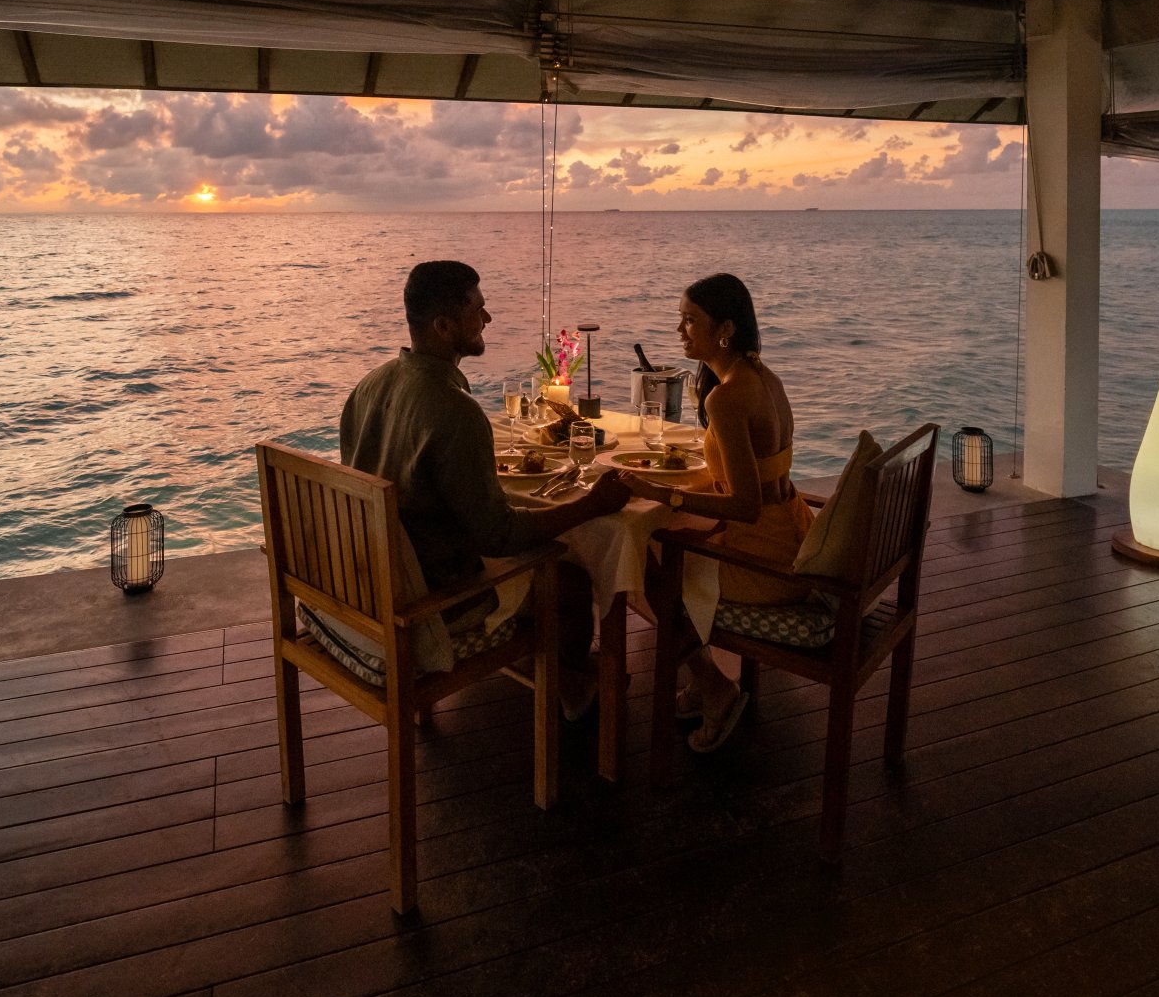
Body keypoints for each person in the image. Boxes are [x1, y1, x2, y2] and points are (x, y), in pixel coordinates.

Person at [330, 260, 630, 714]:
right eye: (478, 309)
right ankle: (571, 690)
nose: (487, 318)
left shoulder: (369, 386)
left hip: (368, 582)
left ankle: (562, 672)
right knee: (570, 582)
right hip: (431, 601)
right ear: (444, 325)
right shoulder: (455, 410)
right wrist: (593, 504)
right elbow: (499, 537)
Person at [616, 272, 812, 752]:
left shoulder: (725, 398)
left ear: (725, 329)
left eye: (690, 321)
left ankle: (714, 687)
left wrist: (665, 495)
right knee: (665, 540)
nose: (679, 330)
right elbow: (757, 479)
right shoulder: (763, 377)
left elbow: (744, 506)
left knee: (642, 564)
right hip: (795, 534)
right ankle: (702, 680)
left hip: (766, 563)